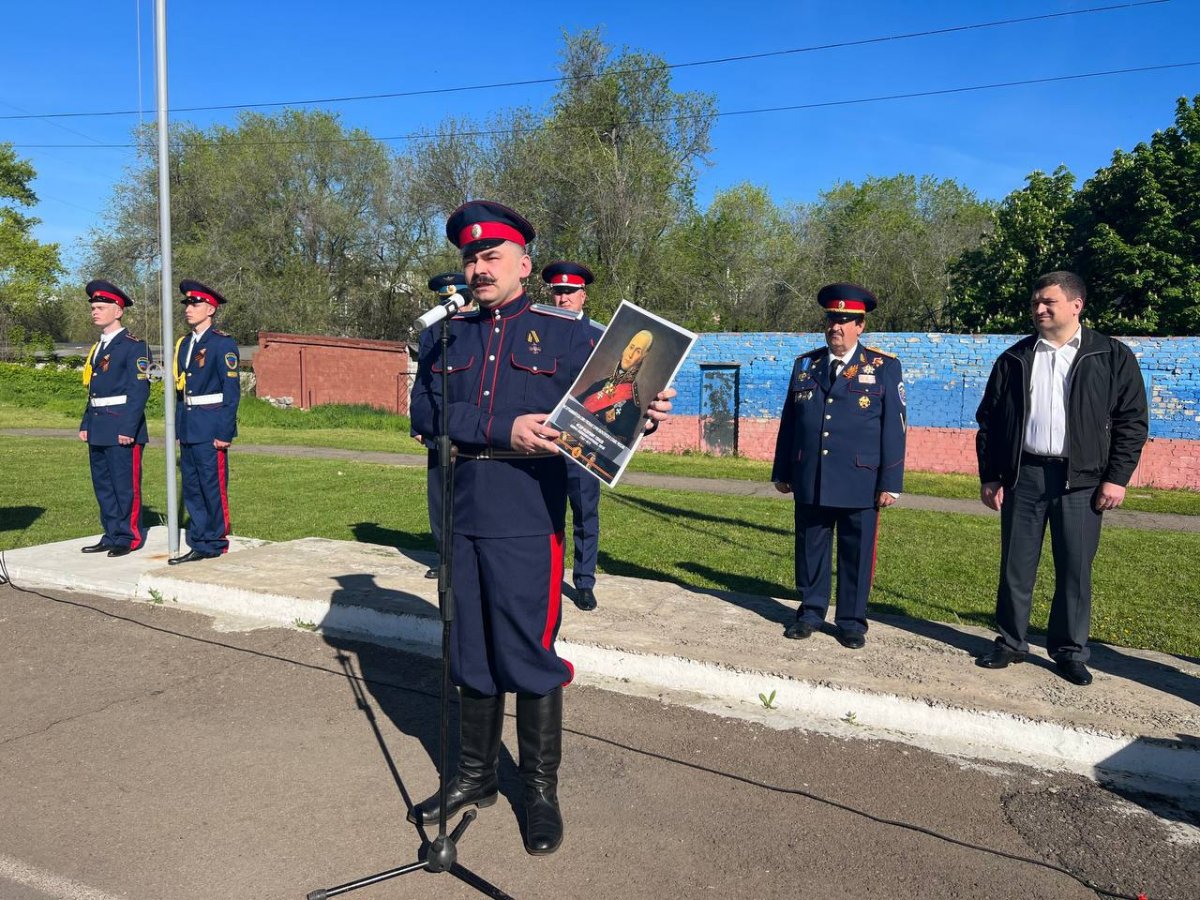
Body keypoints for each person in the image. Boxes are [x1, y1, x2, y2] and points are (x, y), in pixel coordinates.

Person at [408, 200, 672, 856]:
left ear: (524, 264)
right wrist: (498, 428)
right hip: (463, 512)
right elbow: (424, 415)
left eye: (492, 256)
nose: (479, 267)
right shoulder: (446, 334)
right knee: (470, 651)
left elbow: (610, 416)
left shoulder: (572, 335)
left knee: (529, 654)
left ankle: (540, 789)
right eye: (471, 257)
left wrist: (644, 414)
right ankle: (474, 776)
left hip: (528, 518)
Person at [974, 271, 1148, 686]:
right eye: (1036, 302)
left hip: (1083, 481)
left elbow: (1132, 421)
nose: (1039, 309)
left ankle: (1069, 650)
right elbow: (990, 422)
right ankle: (1012, 641)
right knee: (1016, 565)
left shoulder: (1110, 356)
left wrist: (1117, 478)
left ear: (1076, 305)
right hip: (1025, 476)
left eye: (1048, 302)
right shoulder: (1014, 358)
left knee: (1074, 568)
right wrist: (992, 475)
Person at [771, 283, 906, 650]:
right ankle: (811, 612)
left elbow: (894, 428)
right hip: (811, 475)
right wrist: (782, 469)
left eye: (846, 320)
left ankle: (851, 621)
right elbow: (791, 423)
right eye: (832, 319)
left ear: (860, 326)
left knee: (856, 552)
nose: (837, 327)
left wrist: (891, 481)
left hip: (861, 478)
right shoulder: (805, 365)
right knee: (810, 547)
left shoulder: (883, 367)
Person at [542, 260, 604, 611]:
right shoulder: (540, 332)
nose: (562, 298)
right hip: (545, 436)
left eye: (569, 292)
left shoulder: (600, 335)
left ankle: (584, 580)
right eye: (557, 291)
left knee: (584, 510)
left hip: (584, 438)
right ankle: (547, 575)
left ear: (584, 295)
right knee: (545, 512)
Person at [168, 280, 241, 566]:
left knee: (212, 485)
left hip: (211, 426)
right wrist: (177, 427)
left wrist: (225, 431)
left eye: (195, 304)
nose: (189, 309)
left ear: (210, 309)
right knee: (193, 486)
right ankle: (199, 539)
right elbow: (180, 390)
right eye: (186, 304)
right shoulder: (185, 344)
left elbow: (231, 393)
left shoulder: (222, 343)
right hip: (189, 425)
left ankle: (215, 540)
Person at [78, 280, 152, 557]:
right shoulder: (99, 346)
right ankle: (110, 533)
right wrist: (86, 423)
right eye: (93, 308)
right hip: (99, 425)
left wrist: (128, 427)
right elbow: (93, 389)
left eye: (100, 307)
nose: (94, 312)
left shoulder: (135, 347)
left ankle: (127, 536)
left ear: (118, 310)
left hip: (121, 425)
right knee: (104, 485)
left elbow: (139, 390)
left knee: (124, 485)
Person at [416, 272, 474, 579]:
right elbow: (422, 380)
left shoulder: (479, 329)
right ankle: (444, 559)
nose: (455, 309)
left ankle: (466, 556)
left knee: (467, 495)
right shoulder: (431, 332)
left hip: (470, 427)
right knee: (439, 497)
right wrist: (418, 423)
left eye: (458, 302)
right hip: (437, 425)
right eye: (446, 302)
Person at [573, 329, 654, 445]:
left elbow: (616, 447)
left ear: (643, 357)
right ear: (625, 348)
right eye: (631, 347)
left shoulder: (633, 406)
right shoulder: (599, 384)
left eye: (638, 351)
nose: (630, 355)